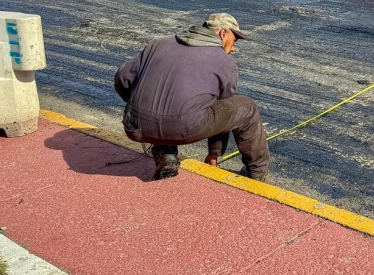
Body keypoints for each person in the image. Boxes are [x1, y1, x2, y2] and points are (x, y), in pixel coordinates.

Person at [114, 13, 270, 181]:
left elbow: (122, 79)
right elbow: (221, 103)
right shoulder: (224, 61)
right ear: (223, 33)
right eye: (235, 41)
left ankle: (165, 152)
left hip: (134, 126)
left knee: (166, 102)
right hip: (185, 128)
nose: (233, 48)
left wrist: (137, 107)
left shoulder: (157, 43)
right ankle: (257, 174)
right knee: (247, 108)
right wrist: (213, 153)